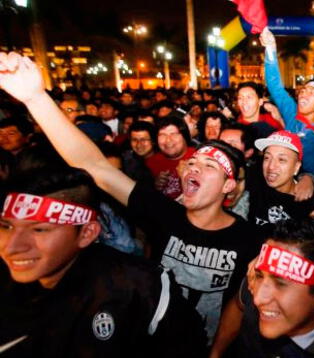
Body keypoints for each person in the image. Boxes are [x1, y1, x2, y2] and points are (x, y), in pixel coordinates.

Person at [0, 52, 261, 344]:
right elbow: (95, 167)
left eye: (209, 166)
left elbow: (236, 303)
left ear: (228, 186)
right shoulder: (162, 212)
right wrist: (35, 98)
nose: (195, 167)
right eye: (193, 162)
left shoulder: (248, 238)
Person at [0, 165, 208, 357]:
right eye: (6, 227)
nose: (12, 247)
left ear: (87, 233)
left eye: (40, 229)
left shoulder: (139, 288)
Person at [211, 218, 314, 358]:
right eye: (259, 276)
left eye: (281, 284)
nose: (258, 298)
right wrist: (215, 353)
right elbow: (238, 304)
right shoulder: (257, 284)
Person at [260, 28, 314, 174]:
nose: (304, 95)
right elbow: (276, 87)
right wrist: (270, 48)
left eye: (312, 93)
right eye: (303, 91)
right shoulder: (292, 114)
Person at [249, 130, 314, 234]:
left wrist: (308, 178)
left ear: (297, 166)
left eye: (281, 160)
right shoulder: (255, 180)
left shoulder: (307, 202)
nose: (271, 166)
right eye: (267, 158)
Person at [146, 115, 196, 199]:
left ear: (185, 136)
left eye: (174, 134)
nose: (168, 140)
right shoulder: (151, 162)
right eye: (162, 135)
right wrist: (153, 186)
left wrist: (188, 178)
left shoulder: (200, 158)